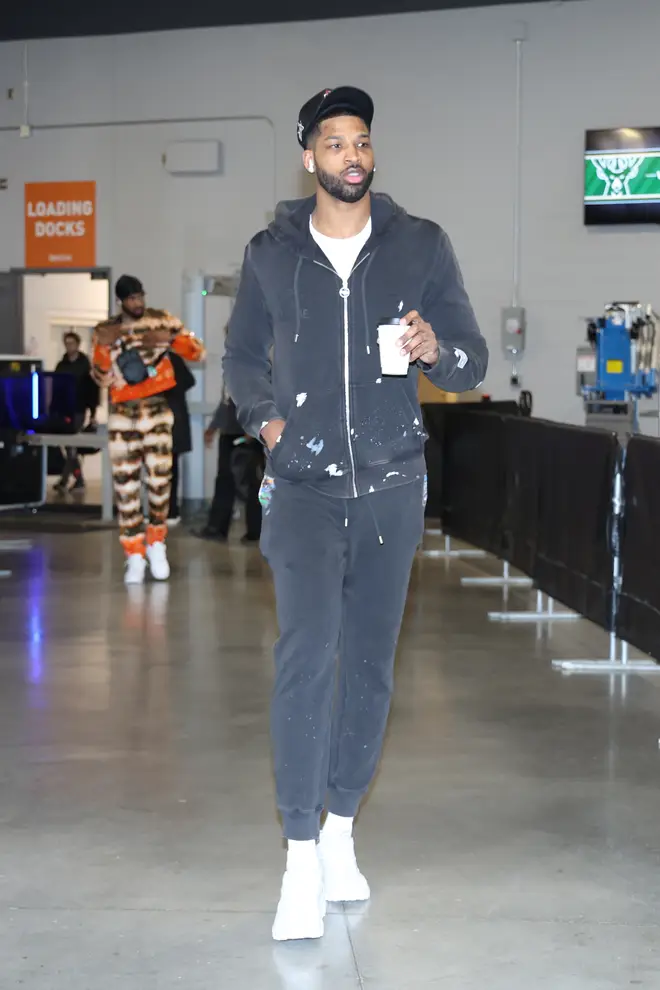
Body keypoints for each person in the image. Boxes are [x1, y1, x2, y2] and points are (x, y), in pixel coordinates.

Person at [223, 86, 489, 942]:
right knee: (306, 659)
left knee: (371, 666)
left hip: (389, 487)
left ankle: (341, 828)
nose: (351, 155)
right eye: (334, 143)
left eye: (361, 141)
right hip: (300, 488)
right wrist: (268, 422)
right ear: (310, 157)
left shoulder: (421, 245)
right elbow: (238, 356)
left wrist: (435, 349)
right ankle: (299, 856)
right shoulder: (271, 252)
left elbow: (470, 356)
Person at [92, 275, 205, 585]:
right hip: (122, 415)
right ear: (120, 301)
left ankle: (156, 544)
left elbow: (198, 351)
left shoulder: (162, 320)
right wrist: (103, 346)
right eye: (131, 299)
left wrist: (168, 339)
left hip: (156, 409)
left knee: (159, 483)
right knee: (126, 489)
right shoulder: (106, 329)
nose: (137, 303)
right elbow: (100, 378)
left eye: (140, 296)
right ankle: (133, 555)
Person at [194, 391, 262, 544]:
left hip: (248, 433)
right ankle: (216, 528)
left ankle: (256, 532)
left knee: (251, 482)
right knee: (225, 480)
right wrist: (213, 427)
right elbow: (225, 402)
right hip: (230, 431)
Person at [53, 331, 99, 492]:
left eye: (71, 343)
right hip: (63, 409)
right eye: (66, 343)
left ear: (77, 344)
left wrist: (93, 414)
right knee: (67, 445)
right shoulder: (61, 365)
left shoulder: (85, 365)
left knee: (72, 445)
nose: (69, 346)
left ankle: (71, 480)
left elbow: (93, 390)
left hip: (79, 409)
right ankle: (71, 479)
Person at [165, 350, 197, 526]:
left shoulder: (171, 359)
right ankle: (166, 509)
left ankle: (170, 509)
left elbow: (189, 381)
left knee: (170, 469)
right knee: (167, 469)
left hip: (172, 421)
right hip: (171, 419)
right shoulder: (171, 359)